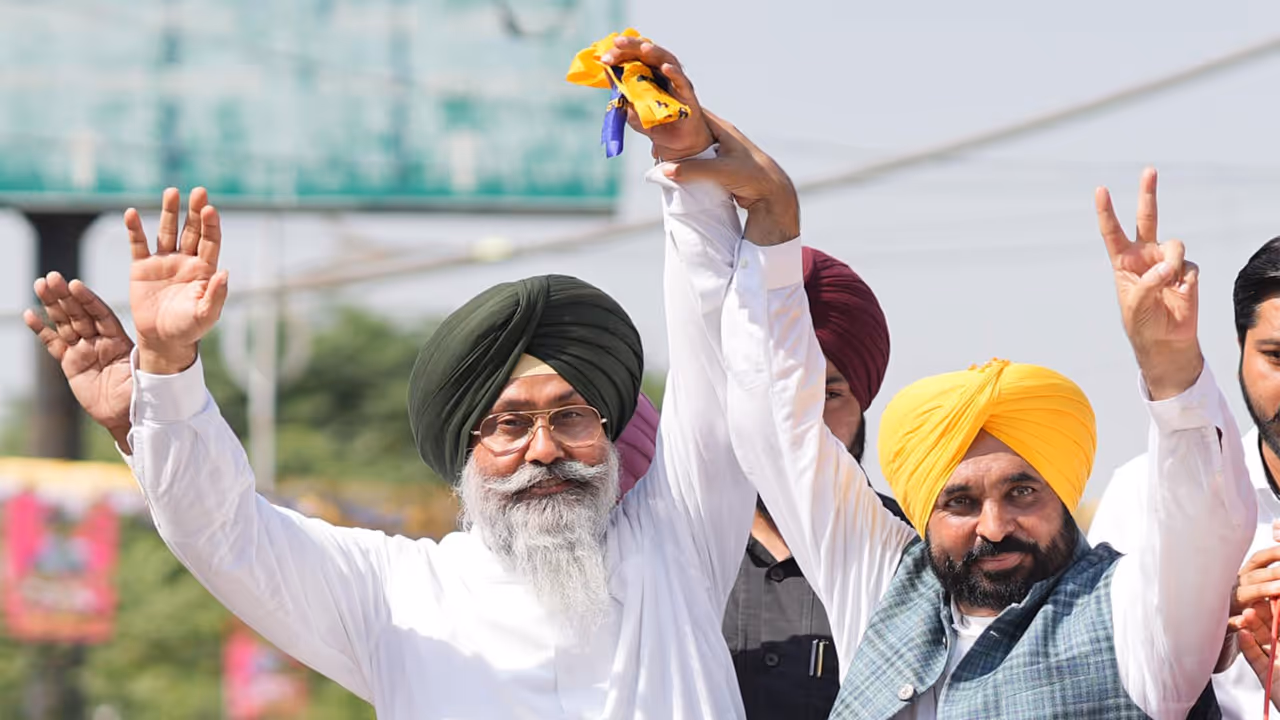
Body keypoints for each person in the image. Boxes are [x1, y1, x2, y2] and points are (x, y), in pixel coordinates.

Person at [24, 37, 789, 719]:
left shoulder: (677, 539)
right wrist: (165, 369)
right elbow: (220, 531)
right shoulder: (394, 594)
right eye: (510, 424)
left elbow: (715, 367)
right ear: (465, 449)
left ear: (611, 433)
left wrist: (687, 170)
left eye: (574, 417)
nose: (546, 449)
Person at [650, 100, 1255, 716]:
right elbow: (776, 427)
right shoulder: (887, 580)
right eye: (960, 502)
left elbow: (1204, 524)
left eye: (1023, 493)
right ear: (922, 508)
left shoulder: (1134, 617)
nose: (993, 528)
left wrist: (1171, 369)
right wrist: (762, 215)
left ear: (1063, 487)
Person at [1091, 235, 1280, 718]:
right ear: (1240, 349)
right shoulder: (1142, 493)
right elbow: (1096, 680)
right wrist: (1201, 620)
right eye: (1277, 357)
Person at [721, 245, 907, 719]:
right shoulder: (682, 554)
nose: (800, 425)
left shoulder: (910, 558)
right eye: (776, 396)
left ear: (863, 407)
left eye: (828, 394)